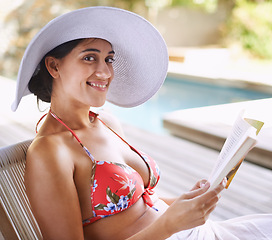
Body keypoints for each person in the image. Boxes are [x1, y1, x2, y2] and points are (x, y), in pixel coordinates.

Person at [12, 6, 272, 240]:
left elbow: (139, 206)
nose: (104, 72)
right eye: (89, 57)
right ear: (53, 66)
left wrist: (185, 204)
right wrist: (168, 226)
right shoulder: (50, 151)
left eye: (108, 59)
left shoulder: (107, 123)